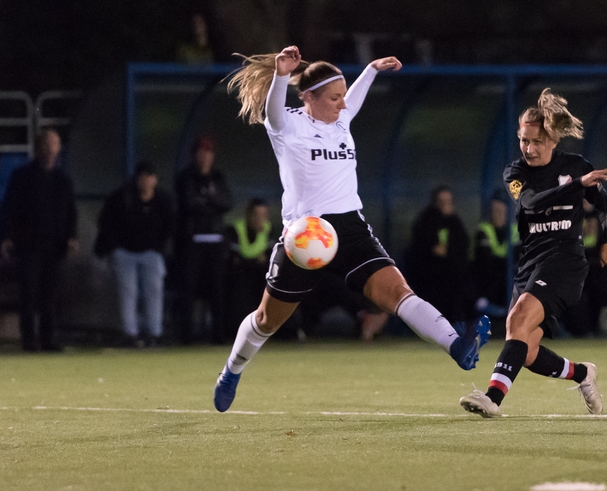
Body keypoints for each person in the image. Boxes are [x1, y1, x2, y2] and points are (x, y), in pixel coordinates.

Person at [212, 46, 490, 412]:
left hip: (351, 228)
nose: (343, 105)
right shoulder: (286, 124)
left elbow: (353, 98)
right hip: (305, 235)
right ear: (308, 97)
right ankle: (232, 370)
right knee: (266, 320)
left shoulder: (340, 120)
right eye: (334, 97)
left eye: (344, 96)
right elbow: (272, 110)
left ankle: (457, 345)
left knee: (398, 292)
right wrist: (281, 73)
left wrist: (372, 68)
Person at [459, 88, 607, 419]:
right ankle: (582, 374)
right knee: (525, 348)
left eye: (535, 142)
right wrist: (578, 185)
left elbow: (604, 206)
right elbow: (530, 202)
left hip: (566, 261)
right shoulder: (514, 174)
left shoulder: (576, 165)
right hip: (531, 263)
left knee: (517, 320)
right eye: (523, 141)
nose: (528, 149)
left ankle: (492, 398)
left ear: (553, 141)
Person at [0, 129, 78, 352]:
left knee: (50, 295)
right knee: (29, 294)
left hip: (54, 245)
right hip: (29, 244)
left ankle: (49, 339)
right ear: (39, 148)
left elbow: (71, 212)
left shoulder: (63, 180)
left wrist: (71, 237)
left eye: (56, 144)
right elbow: (9, 208)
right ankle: (28, 339)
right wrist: (6, 237)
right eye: (49, 144)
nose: (53, 149)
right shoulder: (21, 176)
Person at [94, 160, 175, 347]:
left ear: (155, 180)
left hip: (151, 253)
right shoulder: (121, 198)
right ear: (137, 179)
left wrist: (159, 246)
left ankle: (155, 333)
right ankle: (130, 334)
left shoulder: (163, 200)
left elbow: (170, 226)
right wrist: (114, 247)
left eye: (150, 177)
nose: (147, 181)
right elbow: (106, 222)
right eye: (143, 177)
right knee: (127, 293)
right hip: (125, 252)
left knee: (154, 291)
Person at [174, 135, 233, 344]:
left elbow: (226, 202)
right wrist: (209, 202)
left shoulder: (218, 177)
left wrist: (207, 200)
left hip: (215, 240)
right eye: (201, 152)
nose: (204, 157)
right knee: (188, 289)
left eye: (208, 153)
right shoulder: (186, 178)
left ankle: (218, 334)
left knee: (217, 288)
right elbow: (188, 204)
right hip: (192, 240)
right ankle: (187, 336)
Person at [406, 186, 475, 324]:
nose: (445, 205)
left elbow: (462, 245)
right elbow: (419, 247)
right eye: (442, 201)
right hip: (430, 272)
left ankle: (462, 323)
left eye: (448, 201)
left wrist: (448, 252)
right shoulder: (425, 221)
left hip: (453, 271)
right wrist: (434, 250)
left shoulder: (455, 221)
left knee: (464, 282)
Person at [471, 190, 518, 318]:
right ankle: (484, 304)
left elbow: (519, 256)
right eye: (494, 210)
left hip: (508, 278)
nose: (497, 214)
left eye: (501, 210)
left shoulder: (514, 230)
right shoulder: (484, 230)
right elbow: (483, 259)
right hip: (490, 278)